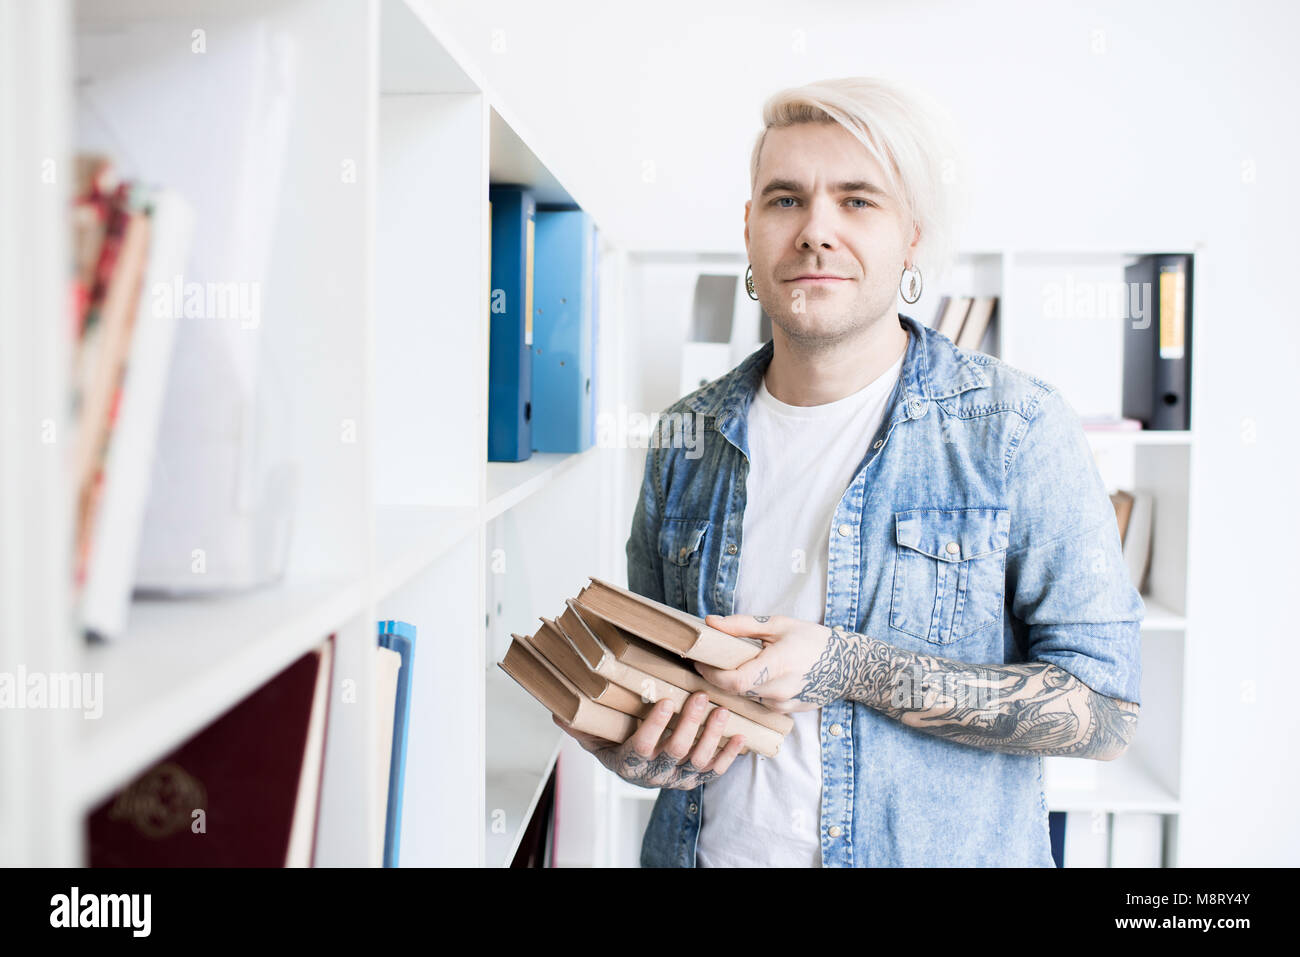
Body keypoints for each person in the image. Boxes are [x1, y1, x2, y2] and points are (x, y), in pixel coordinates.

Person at [554, 76, 1142, 867]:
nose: (816, 231)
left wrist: (848, 665)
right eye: (786, 199)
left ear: (911, 240)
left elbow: (1104, 712)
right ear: (750, 231)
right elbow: (657, 689)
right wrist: (636, 746)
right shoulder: (686, 435)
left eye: (858, 201)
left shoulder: (1017, 428)